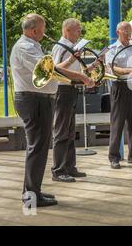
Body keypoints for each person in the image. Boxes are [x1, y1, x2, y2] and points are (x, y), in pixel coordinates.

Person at [11, 14, 93, 207]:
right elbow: (52, 70)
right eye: (43, 28)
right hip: (33, 100)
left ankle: (33, 191)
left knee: (39, 147)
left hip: (38, 99)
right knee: (37, 148)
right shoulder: (25, 47)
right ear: (34, 31)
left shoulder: (32, 46)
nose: (45, 32)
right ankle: (31, 196)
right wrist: (80, 77)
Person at [51, 18, 94, 183]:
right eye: (78, 30)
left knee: (69, 132)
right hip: (63, 90)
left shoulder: (70, 47)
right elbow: (56, 69)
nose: (80, 33)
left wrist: (90, 67)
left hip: (71, 90)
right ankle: (58, 170)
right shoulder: (60, 47)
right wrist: (72, 60)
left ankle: (69, 166)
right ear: (67, 30)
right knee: (61, 131)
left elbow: (74, 69)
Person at [105, 21, 132, 169]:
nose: (129, 34)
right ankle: (114, 157)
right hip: (120, 86)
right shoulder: (112, 49)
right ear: (118, 32)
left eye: (130, 31)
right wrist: (130, 70)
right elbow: (112, 68)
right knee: (117, 123)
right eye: (125, 31)